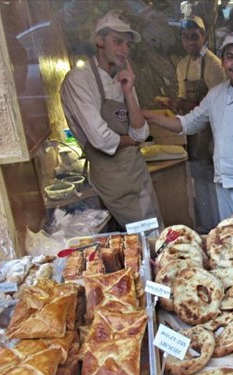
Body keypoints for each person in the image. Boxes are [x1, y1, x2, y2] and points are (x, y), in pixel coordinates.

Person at [143, 31, 233, 225]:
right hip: (223, 184)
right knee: (228, 243)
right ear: (223, 62)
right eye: (230, 57)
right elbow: (187, 124)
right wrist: (149, 116)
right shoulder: (215, 94)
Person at [60, 10, 162, 230]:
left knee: (155, 232)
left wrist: (128, 93)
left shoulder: (122, 77)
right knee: (144, 237)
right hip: (113, 178)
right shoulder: (80, 80)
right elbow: (102, 140)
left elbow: (141, 133)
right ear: (99, 41)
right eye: (117, 41)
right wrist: (132, 140)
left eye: (127, 44)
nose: (124, 50)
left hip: (137, 172)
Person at [159, 16, 226, 233]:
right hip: (194, 133)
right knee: (199, 182)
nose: (190, 42)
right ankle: (206, 226)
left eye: (194, 37)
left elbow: (220, 104)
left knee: (215, 184)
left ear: (203, 37)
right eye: (186, 38)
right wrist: (175, 104)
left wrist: (188, 104)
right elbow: (183, 101)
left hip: (213, 134)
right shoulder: (182, 66)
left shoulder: (215, 65)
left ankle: (219, 227)